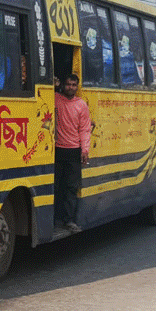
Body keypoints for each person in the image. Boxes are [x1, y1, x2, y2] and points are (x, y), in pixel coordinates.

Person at [54, 73, 92, 233]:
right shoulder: (55, 99)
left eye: (74, 85)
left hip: (74, 151)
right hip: (56, 150)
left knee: (71, 188)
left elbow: (84, 129)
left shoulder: (81, 105)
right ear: (63, 85)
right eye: (68, 84)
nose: (71, 87)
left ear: (77, 87)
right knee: (56, 186)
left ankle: (68, 220)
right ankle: (54, 218)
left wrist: (85, 149)